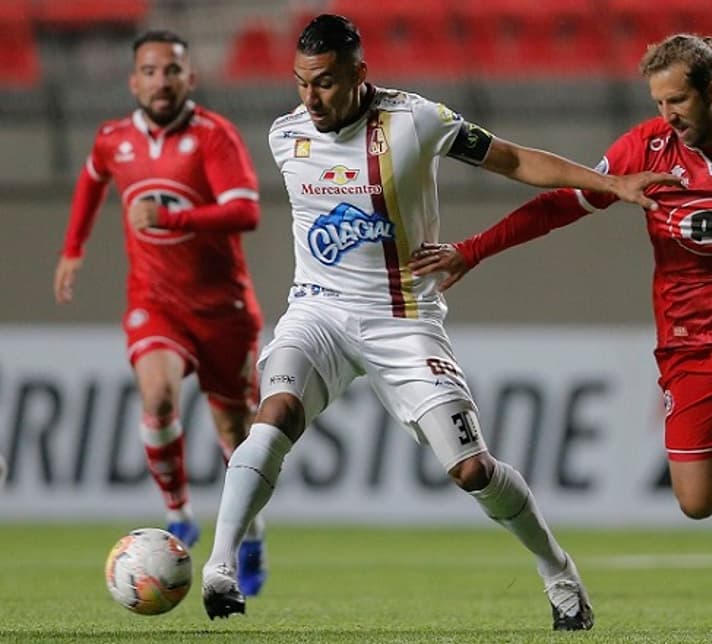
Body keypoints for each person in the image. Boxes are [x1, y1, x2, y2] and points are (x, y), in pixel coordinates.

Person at [199, 14, 681, 629]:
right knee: (276, 415)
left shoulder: (416, 120)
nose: (310, 98)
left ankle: (558, 570)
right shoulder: (284, 135)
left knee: (471, 470)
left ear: (358, 74)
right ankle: (221, 567)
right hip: (317, 311)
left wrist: (610, 182)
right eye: (300, 83)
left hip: (404, 320)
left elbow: (512, 159)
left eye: (323, 83)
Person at [409, 34, 712, 634]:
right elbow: (563, 203)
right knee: (697, 502)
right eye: (659, 103)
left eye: (678, 101)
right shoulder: (646, 147)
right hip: (687, 341)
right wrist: (472, 250)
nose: (668, 116)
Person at [53, 30, 268, 596]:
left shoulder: (213, 137)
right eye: (149, 71)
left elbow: (245, 210)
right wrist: (73, 249)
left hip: (223, 309)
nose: (160, 81)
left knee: (235, 432)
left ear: (189, 78)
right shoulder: (114, 139)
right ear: (134, 80)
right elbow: (92, 180)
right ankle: (178, 514)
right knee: (157, 397)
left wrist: (172, 220)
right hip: (156, 302)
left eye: (171, 70)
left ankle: (250, 532)